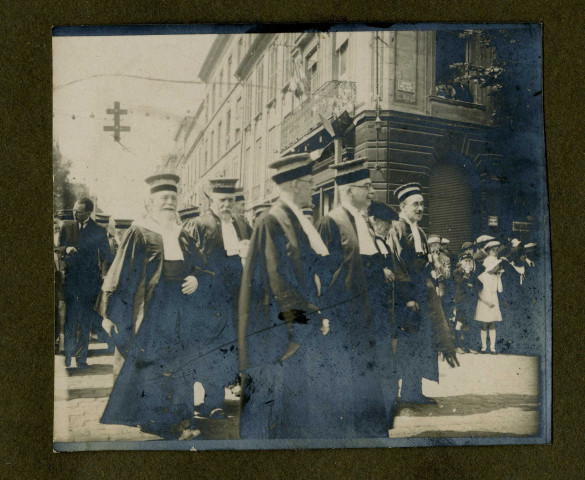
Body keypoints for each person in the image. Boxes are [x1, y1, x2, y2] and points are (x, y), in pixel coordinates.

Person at [97, 173, 209, 440]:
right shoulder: (140, 232)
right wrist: (110, 312)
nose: (169, 202)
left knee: (181, 363)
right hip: (151, 310)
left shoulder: (184, 235)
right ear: (151, 202)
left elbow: (201, 267)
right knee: (153, 365)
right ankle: (159, 422)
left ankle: (177, 421)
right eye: (163, 198)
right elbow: (121, 273)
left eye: (173, 197)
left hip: (181, 308)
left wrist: (196, 278)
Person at [239, 152, 331, 439]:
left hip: (287, 323)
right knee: (266, 404)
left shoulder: (293, 219)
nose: (314, 187)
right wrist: (304, 321)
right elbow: (277, 280)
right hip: (274, 327)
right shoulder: (272, 220)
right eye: (309, 181)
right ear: (293, 185)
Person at [316, 158, 396, 438]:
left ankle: (369, 431)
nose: (372, 192)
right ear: (349, 191)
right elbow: (324, 274)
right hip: (346, 316)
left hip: (371, 314)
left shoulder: (364, 221)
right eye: (367, 186)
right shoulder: (332, 221)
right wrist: (324, 314)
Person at [186, 178, 252, 418]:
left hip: (235, 300)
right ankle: (211, 401)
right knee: (209, 349)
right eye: (222, 200)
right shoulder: (197, 224)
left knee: (229, 349)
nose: (227, 205)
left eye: (231, 200)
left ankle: (220, 397)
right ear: (212, 200)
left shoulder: (243, 226)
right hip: (207, 301)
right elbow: (188, 262)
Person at [389, 182, 458, 405]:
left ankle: (413, 391)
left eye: (422, 204)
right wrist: (407, 298)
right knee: (405, 344)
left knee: (421, 343)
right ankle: (397, 393)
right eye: (415, 204)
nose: (420, 208)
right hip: (406, 297)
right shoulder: (396, 228)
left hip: (422, 295)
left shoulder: (421, 231)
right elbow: (397, 266)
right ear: (403, 206)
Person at [56, 198, 113, 369]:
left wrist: (104, 275)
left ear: (88, 213)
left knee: (85, 321)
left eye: (78, 211)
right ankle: (67, 359)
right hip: (71, 280)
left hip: (90, 282)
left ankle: (81, 360)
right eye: (74, 210)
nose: (74, 213)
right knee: (70, 320)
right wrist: (66, 249)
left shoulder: (99, 230)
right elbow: (58, 248)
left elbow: (106, 257)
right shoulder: (67, 227)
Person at [474, 255, 505, 354]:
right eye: (496, 266)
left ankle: (492, 347)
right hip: (484, 302)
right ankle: (484, 347)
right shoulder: (481, 276)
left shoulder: (496, 276)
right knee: (484, 324)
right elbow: (478, 292)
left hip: (494, 301)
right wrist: (486, 302)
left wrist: (499, 278)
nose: (498, 267)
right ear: (491, 266)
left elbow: (500, 290)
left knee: (492, 324)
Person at [452, 251, 478, 353]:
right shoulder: (457, 271)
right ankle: (458, 346)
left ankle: (468, 346)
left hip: (470, 300)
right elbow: (460, 285)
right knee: (460, 321)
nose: (468, 262)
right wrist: (466, 274)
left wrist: (471, 284)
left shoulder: (472, 272)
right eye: (466, 260)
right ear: (461, 261)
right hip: (461, 300)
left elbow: (478, 285)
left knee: (468, 322)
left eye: (469, 260)